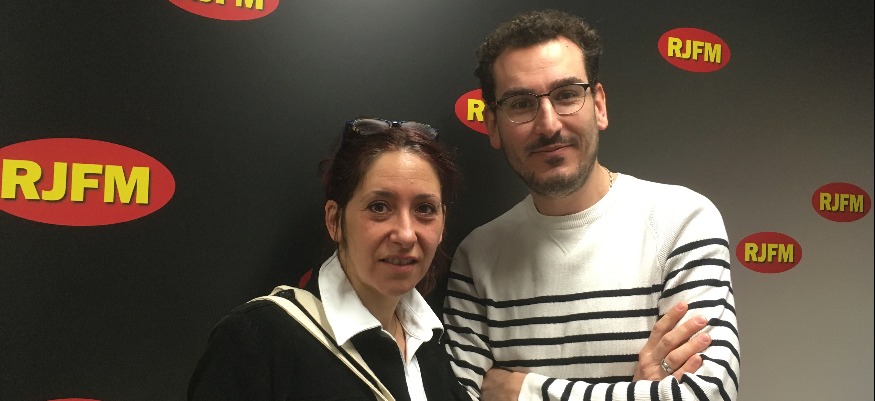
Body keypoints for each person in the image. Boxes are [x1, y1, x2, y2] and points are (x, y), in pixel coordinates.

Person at [442, 9, 740, 401]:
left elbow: (708, 394)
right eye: (520, 104)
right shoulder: (477, 257)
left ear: (598, 105)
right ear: (493, 125)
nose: (549, 125)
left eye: (567, 95)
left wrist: (522, 391)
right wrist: (637, 393)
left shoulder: (681, 224)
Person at [188, 118, 471, 400]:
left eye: (425, 209)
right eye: (379, 207)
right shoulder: (257, 342)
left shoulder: (429, 345)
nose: (406, 235)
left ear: (442, 224)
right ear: (335, 220)